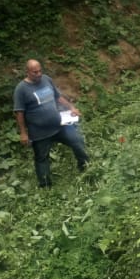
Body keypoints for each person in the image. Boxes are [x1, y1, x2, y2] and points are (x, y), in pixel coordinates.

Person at [13, 59, 89, 187]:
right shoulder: (21, 89)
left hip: (58, 126)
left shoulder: (46, 79)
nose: (38, 74)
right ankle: (45, 186)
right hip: (39, 132)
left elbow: (58, 97)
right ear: (27, 72)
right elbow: (19, 112)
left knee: (77, 141)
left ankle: (85, 168)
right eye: (35, 72)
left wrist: (71, 107)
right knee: (42, 159)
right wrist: (23, 133)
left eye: (40, 71)